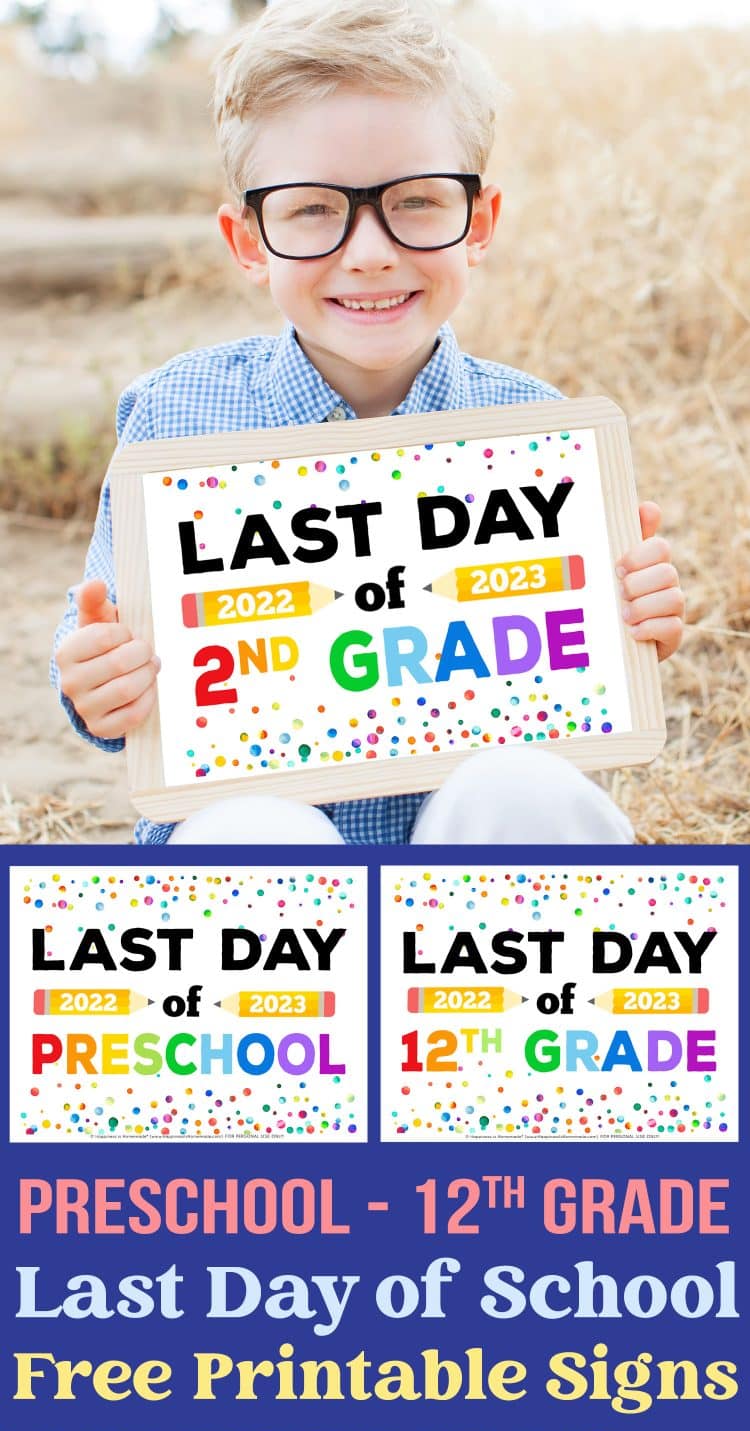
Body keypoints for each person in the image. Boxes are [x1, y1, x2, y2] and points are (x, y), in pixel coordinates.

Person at [51, 0, 684, 846]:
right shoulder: (177, 419)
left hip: (471, 871)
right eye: (313, 210)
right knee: (256, 832)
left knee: (523, 788)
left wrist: (628, 625)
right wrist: (100, 679)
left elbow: (575, 679)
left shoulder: (535, 437)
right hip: (254, 869)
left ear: (480, 223)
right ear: (248, 241)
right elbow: (112, 645)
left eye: (417, 202)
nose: (370, 250)